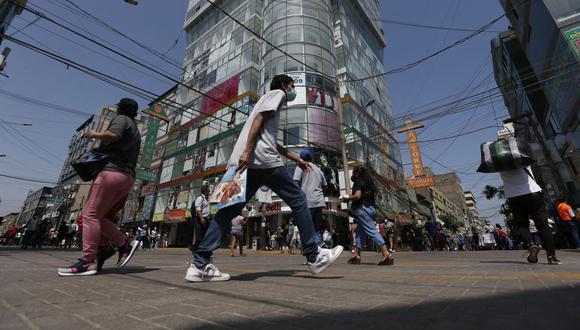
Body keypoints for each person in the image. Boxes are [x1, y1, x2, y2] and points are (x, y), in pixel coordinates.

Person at [185, 75, 343, 282]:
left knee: (227, 211)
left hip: (244, 164)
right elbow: (260, 118)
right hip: (261, 160)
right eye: (292, 86)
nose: (293, 90)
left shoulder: (267, 102)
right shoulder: (277, 94)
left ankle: (199, 264)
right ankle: (314, 255)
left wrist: (294, 157)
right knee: (298, 199)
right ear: (284, 85)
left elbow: (268, 137)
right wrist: (248, 151)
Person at [57, 98, 142, 276]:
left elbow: (114, 135)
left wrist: (94, 134)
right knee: (98, 216)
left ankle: (88, 261)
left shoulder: (121, 120)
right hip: (127, 177)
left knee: (89, 216)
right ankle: (123, 244)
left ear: (120, 108)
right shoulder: (135, 130)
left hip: (111, 173)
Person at [499, 166, 560, 264]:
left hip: (514, 196)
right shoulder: (522, 159)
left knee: (522, 224)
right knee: (543, 225)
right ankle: (551, 257)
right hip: (533, 192)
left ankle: (530, 244)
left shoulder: (499, 164)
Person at [341, 167, 393, 266]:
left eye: (353, 172)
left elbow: (357, 196)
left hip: (363, 209)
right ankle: (356, 255)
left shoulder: (358, 182)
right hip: (371, 209)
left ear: (356, 173)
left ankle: (386, 254)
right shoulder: (369, 184)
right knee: (359, 232)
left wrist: (347, 199)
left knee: (371, 230)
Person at [293, 148, 327, 246]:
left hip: (308, 201)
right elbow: (325, 186)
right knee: (316, 228)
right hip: (319, 201)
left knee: (307, 228)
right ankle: (319, 247)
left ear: (301, 158)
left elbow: (296, 183)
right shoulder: (318, 169)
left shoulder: (300, 166)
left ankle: (311, 251)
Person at [190, 184, 211, 252]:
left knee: (204, 235)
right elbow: (198, 208)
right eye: (208, 190)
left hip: (206, 219)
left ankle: (200, 249)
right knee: (199, 235)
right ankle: (195, 249)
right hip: (199, 219)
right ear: (205, 191)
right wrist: (201, 218)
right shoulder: (200, 198)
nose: (209, 191)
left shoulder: (207, 199)